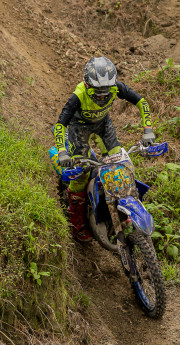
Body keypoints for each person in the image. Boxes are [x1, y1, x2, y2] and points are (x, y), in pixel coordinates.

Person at [53, 56, 155, 242]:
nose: (102, 96)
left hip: (103, 125)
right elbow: (61, 124)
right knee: (81, 175)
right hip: (79, 128)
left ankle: (123, 204)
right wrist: (62, 152)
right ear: (87, 85)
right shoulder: (79, 95)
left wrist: (148, 130)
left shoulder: (117, 87)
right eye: (97, 92)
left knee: (119, 164)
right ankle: (77, 221)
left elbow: (141, 101)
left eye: (106, 92)